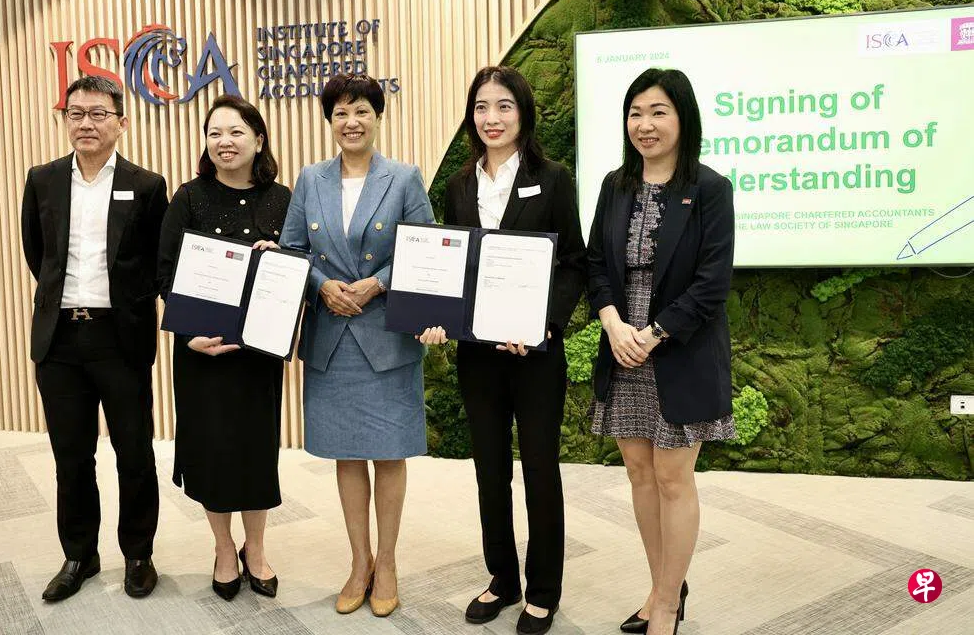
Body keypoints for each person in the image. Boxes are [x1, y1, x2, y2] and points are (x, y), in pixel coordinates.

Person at [418, 66, 584, 635]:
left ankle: (543, 590)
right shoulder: (459, 185)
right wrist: (436, 317)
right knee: (489, 470)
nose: (492, 118)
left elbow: (574, 263)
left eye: (504, 106)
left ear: (523, 113)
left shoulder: (552, 178)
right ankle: (502, 578)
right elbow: (453, 266)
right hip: (478, 355)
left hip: (534, 354)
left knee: (539, 470)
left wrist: (545, 325)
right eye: (481, 107)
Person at [276, 74, 433, 618]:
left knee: (389, 454)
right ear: (330, 121)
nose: (352, 122)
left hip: (387, 336)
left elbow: (426, 249)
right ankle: (359, 561)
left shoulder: (404, 178)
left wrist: (378, 283)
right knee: (346, 454)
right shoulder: (310, 179)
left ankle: (387, 564)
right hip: (331, 337)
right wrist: (322, 285)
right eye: (341, 113)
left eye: (362, 111)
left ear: (378, 117)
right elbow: (292, 249)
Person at [585, 68, 736, 635]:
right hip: (622, 347)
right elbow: (596, 264)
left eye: (658, 112)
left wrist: (652, 334)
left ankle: (668, 604)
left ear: (683, 118)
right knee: (639, 474)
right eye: (635, 113)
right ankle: (660, 587)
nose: (644, 125)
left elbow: (712, 283)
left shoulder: (710, 188)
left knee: (673, 478)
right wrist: (613, 324)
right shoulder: (615, 185)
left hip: (678, 350)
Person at [21, 75, 168, 602]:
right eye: (76, 113)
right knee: (71, 455)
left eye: (98, 114)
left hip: (120, 338)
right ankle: (79, 554)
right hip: (59, 339)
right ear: (66, 120)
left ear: (121, 122)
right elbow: (37, 253)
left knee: (134, 452)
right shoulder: (42, 179)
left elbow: (155, 261)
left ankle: (138, 554)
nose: (86, 123)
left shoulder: (147, 185)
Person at [157, 95, 290, 601]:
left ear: (258, 139)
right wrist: (187, 333)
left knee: (255, 451)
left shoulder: (283, 200)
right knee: (212, 453)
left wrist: (280, 257)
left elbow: (301, 267)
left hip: (257, 356)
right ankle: (222, 547)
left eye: (235, 132)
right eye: (215, 133)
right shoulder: (189, 198)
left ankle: (256, 548)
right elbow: (164, 273)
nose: (224, 142)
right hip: (202, 352)